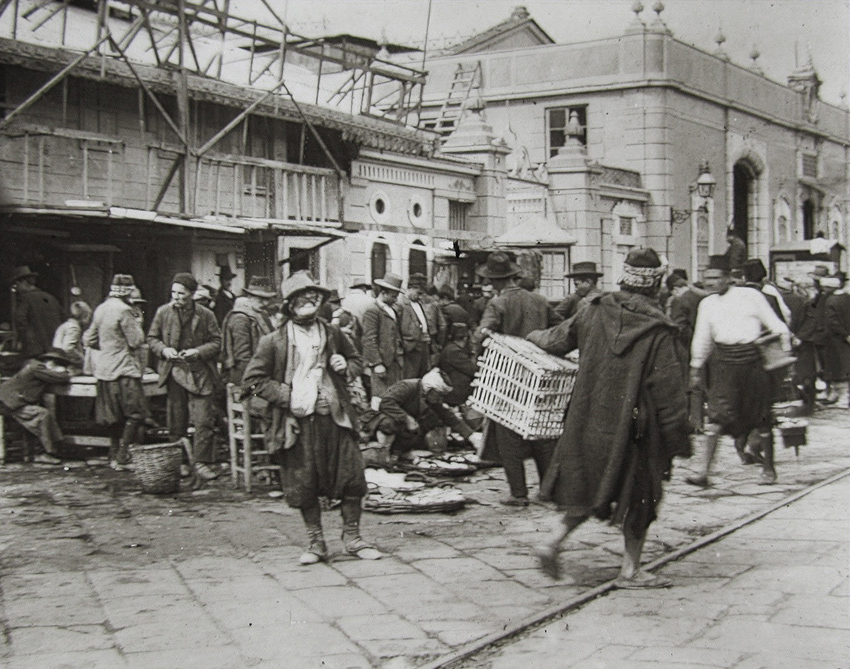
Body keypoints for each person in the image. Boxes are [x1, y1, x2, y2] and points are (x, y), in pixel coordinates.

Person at [527, 247, 690, 587]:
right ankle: (630, 570)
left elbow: (555, 340)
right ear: (655, 284)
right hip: (636, 428)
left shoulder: (593, 310)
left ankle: (550, 542)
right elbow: (668, 391)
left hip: (587, 416)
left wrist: (530, 337)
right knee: (641, 495)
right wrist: (678, 437)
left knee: (583, 486)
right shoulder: (659, 329)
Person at [242, 271, 381, 565]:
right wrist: (287, 395)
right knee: (303, 482)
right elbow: (253, 381)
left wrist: (346, 366)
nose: (310, 302)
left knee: (352, 477)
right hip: (298, 423)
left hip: (336, 417)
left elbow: (357, 360)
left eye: (314, 297)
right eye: (303, 297)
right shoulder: (273, 341)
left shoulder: (332, 333)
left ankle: (353, 538)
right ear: (290, 304)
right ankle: (316, 543)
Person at [687, 255, 791, 487]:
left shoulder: (751, 297)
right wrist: (695, 367)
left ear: (728, 278)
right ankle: (703, 472)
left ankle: (769, 469)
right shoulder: (707, 304)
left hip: (754, 365)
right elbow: (702, 339)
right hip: (724, 366)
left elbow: (777, 326)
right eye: (706, 278)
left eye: (715, 277)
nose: (710, 283)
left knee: (761, 419)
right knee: (716, 417)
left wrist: (784, 355)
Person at [476, 251, 563, 506]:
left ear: (494, 281)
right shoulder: (539, 300)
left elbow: (483, 335)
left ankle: (518, 493)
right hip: (541, 375)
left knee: (508, 436)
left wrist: (480, 341)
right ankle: (549, 490)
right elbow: (560, 328)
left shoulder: (497, 303)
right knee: (542, 432)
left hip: (509, 378)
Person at [147, 272, 222, 481]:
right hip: (174, 372)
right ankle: (179, 462)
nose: (176, 297)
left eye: (181, 293)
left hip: (200, 372)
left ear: (191, 294)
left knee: (203, 419)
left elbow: (217, 342)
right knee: (176, 419)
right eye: (174, 293)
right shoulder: (163, 313)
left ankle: (201, 462)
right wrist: (164, 350)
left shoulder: (206, 315)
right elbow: (152, 338)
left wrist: (198, 352)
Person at [83, 274, 147, 470]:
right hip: (124, 370)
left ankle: (113, 453)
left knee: (113, 417)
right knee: (135, 414)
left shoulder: (101, 309)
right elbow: (136, 341)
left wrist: (107, 345)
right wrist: (137, 321)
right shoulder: (125, 310)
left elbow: (89, 339)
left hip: (104, 370)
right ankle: (122, 456)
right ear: (128, 292)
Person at [363, 368, 480, 457]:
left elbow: (448, 416)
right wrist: (406, 418)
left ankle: (399, 453)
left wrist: (471, 436)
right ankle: (383, 455)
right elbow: (386, 402)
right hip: (376, 419)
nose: (440, 400)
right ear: (429, 389)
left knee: (428, 423)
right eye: (439, 395)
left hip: (399, 423)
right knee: (389, 423)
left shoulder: (429, 396)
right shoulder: (407, 386)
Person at [0, 347, 72, 464]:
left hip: (12, 401)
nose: (54, 365)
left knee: (40, 415)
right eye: (55, 363)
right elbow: (62, 378)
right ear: (50, 361)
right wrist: (64, 371)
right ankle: (44, 453)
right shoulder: (36, 367)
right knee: (43, 415)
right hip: (9, 403)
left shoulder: (35, 366)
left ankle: (40, 451)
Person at [221, 276, 276, 385]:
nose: (265, 303)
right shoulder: (240, 319)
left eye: (267, 299)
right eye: (261, 299)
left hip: (262, 372)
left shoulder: (260, 315)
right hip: (246, 377)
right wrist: (253, 381)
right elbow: (242, 358)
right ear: (250, 296)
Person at [361, 273, 405, 402]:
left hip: (394, 362)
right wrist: (376, 363)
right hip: (383, 363)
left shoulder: (392, 310)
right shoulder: (373, 311)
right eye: (393, 296)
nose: (396, 300)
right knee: (381, 399)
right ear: (383, 293)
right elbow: (369, 339)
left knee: (394, 397)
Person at [11, 266, 64, 359]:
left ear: (22, 282)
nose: (16, 289)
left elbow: (20, 320)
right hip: (55, 349)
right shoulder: (51, 298)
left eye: (16, 285)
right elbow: (63, 318)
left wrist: (22, 341)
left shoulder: (24, 298)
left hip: (35, 351)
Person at [399, 273, 445, 378]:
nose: (420, 296)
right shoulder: (401, 305)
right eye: (418, 293)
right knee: (410, 378)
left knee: (423, 377)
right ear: (410, 289)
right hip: (411, 349)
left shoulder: (418, 303)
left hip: (424, 347)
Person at [52, 301, 92, 372]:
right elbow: (68, 348)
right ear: (84, 316)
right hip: (64, 361)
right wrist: (83, 359)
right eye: (89, 316)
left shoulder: (66, 325)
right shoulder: (74, 328)